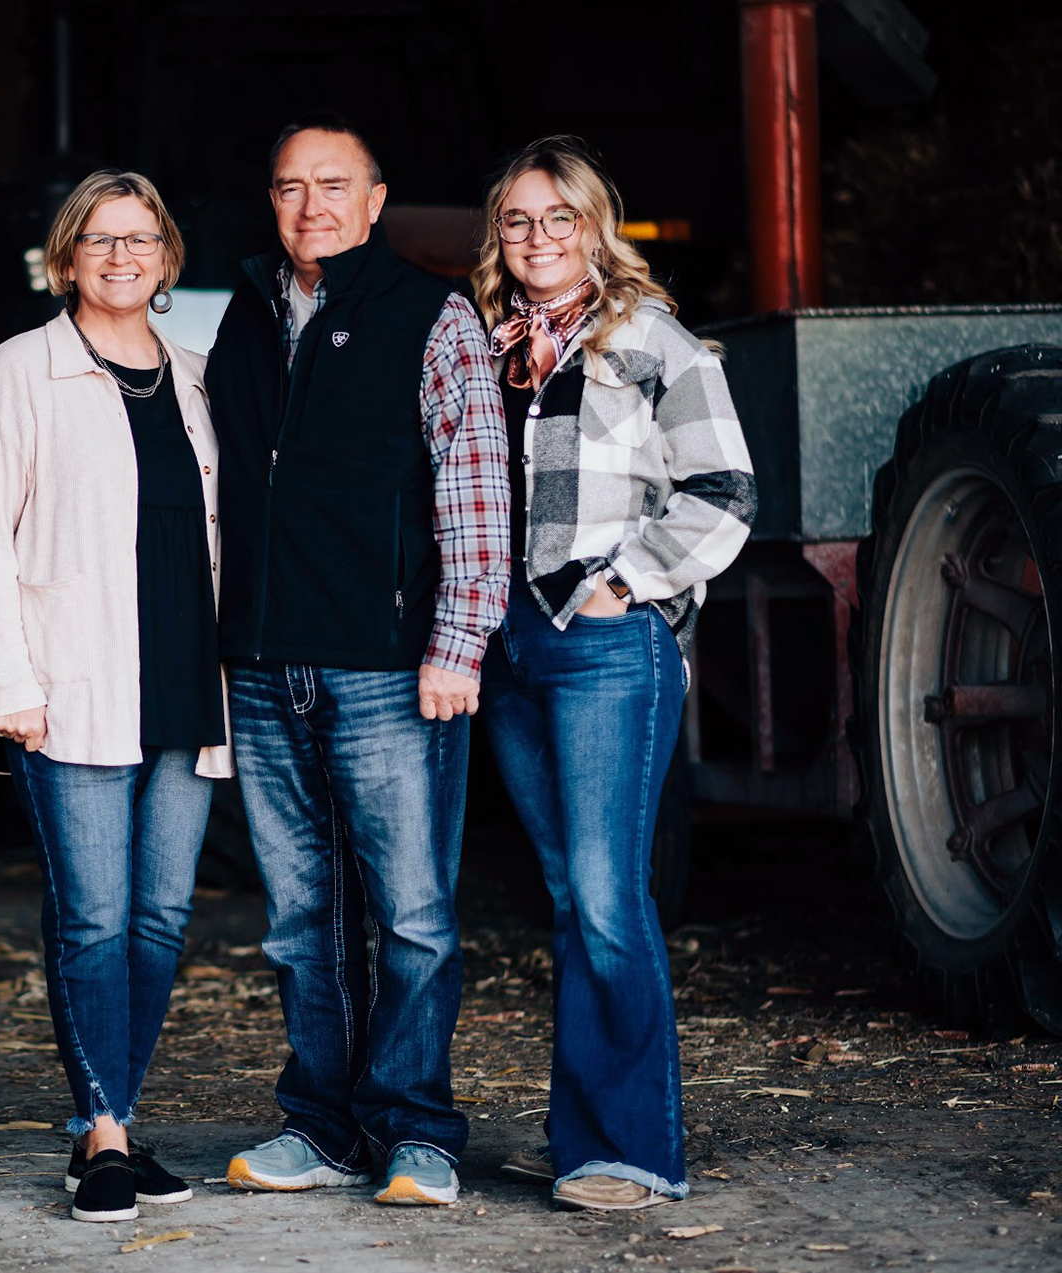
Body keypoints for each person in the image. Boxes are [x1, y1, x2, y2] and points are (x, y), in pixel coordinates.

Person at [205, 115, 511, 1207]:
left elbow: (475, 489)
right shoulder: (245, 318)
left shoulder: (433, 316)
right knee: (300, 918)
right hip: (263, 659)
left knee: (412, 912)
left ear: (376, 200)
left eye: (333, 185)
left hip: (390, 665)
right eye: (290, 186)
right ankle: (322, 1124)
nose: (310, 206)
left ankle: (417, 1129)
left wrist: (458, 640)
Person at [472, 136, 756, 1211]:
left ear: (596, 228)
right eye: (517, 221)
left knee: (604, 894)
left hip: (603, 645)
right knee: (565, 892)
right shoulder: (492, 349)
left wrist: (625, 583)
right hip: (508, 645)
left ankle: (632, 1147)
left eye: (560, 219)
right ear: (497, 238)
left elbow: (724, 487)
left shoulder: (648, 337)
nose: (539, 238)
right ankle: (580, 1132)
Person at [0, 170, 229, 1224]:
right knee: (92, 917)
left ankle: (111, 1118)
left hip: (184, 685)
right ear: (66, 258)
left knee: (158, 919)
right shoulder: (22, 371)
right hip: (70, 684)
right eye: (100, 240)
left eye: (141, 238)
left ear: (166, 258)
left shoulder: (199, 379)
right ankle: (103, 1131)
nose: (122, 257)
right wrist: (8, 679)